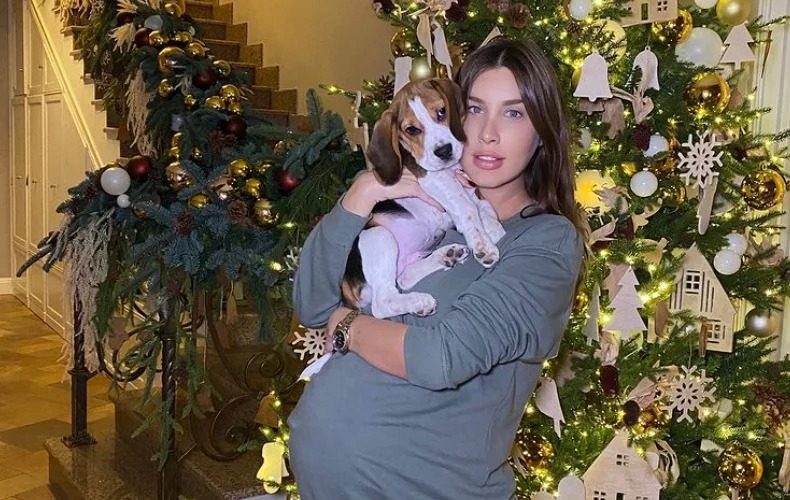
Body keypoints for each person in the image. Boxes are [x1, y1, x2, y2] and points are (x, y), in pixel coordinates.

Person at [287, 38, 587, 499]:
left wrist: (346, 324)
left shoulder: (546, 243)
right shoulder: (425, 213)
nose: (487, 133)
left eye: (514, 113)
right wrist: (361, 195)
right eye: (475, 108)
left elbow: (440, 358)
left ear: (542, 130)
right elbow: (311, 303)